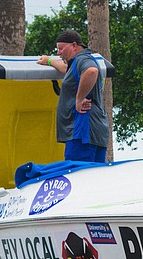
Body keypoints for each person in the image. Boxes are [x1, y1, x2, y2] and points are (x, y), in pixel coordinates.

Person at [37, 29, 109, 163]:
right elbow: (67, 69)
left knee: (79, 177)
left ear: (74, 45)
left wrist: (79, 99)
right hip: (95, 133)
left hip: (82, 134)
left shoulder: (83, 59)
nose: (58, 53)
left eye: (61, 49)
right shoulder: (79, 61)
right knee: (96, 178)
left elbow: (91, 71)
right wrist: (49, 61)